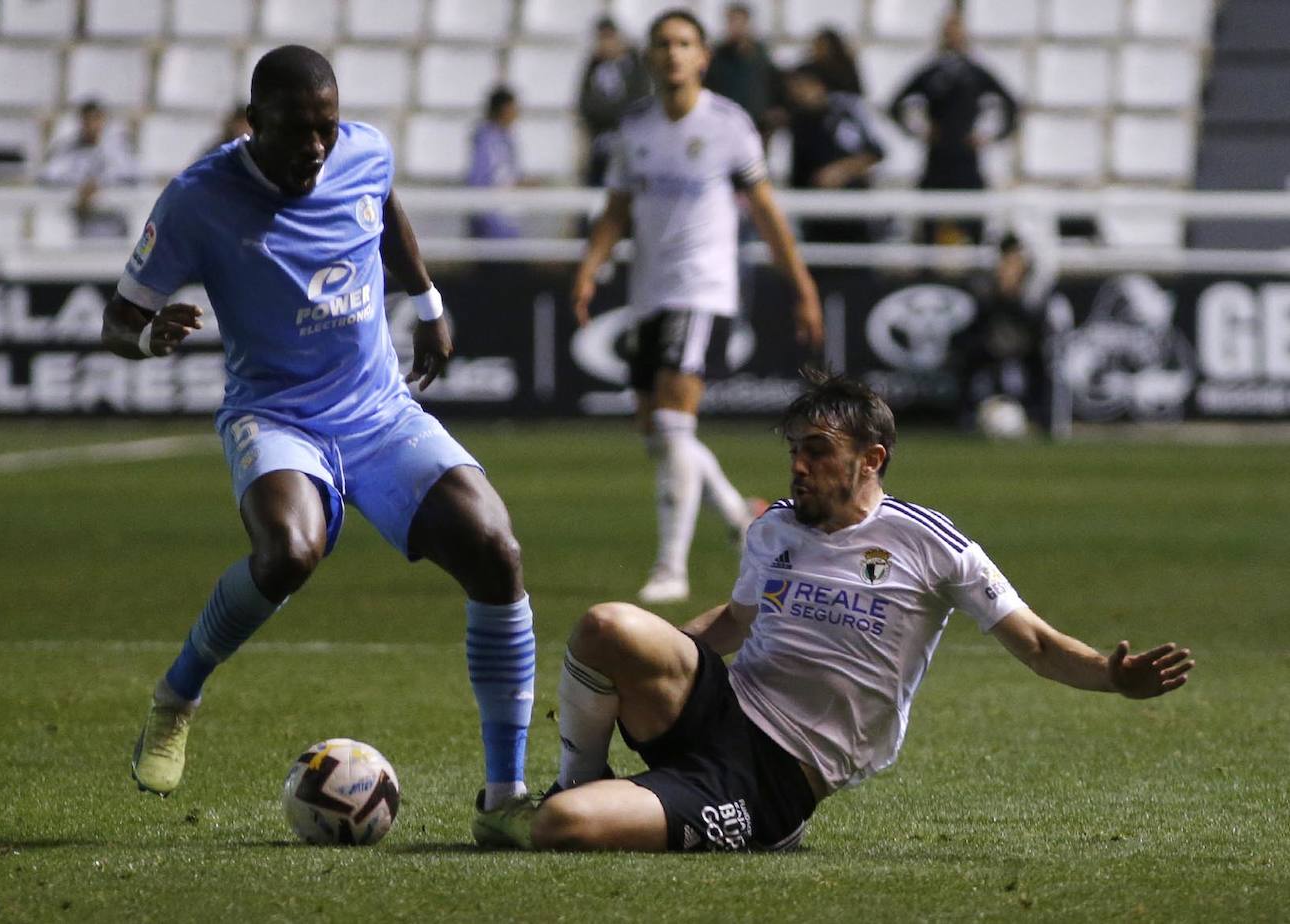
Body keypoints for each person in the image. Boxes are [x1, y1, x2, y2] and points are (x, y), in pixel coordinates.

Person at [103, 45, 538, 845]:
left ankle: (504, 798)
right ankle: (177, 696)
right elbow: (118, 319)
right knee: (289, 554)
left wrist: (427, 300)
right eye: (297, 130)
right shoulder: (199, 197)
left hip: (379, 413)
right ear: (252, 123)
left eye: (326, 129)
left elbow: (384, 204)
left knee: (496, 550)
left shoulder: (363, 151)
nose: (315, 147)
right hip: (275, 415)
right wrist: (147, 338)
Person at [478, 370, 1195, 851]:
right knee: (606, 626)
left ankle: (587, 809)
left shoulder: (931, 544)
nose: (798, 466)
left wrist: (1110, 675)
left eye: (817, 451)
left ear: (871, 459)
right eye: (795, 449)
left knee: (563, 831)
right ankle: (576, 777)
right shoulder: (775, 528)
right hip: (717, 708)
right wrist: (623, 671)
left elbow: (1035, 643)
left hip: (770, 780)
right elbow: (734, 622)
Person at [572, 9, 823, 606]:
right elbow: (616, 210)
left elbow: (766, 212)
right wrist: (589, 268)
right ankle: (739, 513)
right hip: (649, 293)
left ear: (703, 57)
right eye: (663, 43)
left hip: (704, 289)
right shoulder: (635, 130)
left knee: (672, 425)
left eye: (684, 43)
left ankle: (671, 568)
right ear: (650, 57)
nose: (673, 53)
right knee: (656, 433)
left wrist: (801, 286)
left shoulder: (729, 125)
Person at [889, 11, 1018, 245]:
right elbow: (896, 104)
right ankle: (928, 263)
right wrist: (918, 130)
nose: (953, 36)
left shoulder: (975, 72)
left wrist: (991, 136)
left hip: (966, 158)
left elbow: (1011, 104)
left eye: (957, 31)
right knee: (929, 222)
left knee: (974, 222)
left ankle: (975, 263)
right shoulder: (931, 72)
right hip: (937, 158)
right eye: (949, 31)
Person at [954, 233, 1050, 432]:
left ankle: (1035, 416)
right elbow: (974, 333)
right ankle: (969, 416)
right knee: (970, 356)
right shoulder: (984, 293)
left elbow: (1036, 334)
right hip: (990, 358)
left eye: (1014, 264)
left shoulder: (1034, 296)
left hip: (1021, 358)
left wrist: (1013, 298)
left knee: (1039, 362)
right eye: (1006, 264)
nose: (1009, 270)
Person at [785, 64, 884, 244]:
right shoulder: (798, 122)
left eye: (801, 86)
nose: (796, 93)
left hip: (852, 211)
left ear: (818, 85)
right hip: (815, 214)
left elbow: (875, 151)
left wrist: (842, 170)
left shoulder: (843, 113)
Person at [40, 99, 141, 238]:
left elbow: (133, 175)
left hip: (114, 220)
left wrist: (100, 183)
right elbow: (49, 175)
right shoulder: (68, 148)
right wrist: (80, 185)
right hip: (82, 223)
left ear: (103, 121)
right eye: (87, 120)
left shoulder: (118, 148)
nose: (92, 125)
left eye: (96, 119)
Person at [578, 16, 651, 187]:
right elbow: (586, 104)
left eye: (608, 37)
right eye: (601, 38)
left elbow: (639, 100)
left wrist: (609, 110)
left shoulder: (636, 65)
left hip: (630, 138)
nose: (605, 44)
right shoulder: (594, 67)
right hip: (600, 140)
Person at [703, 3, 784, 141]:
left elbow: (775, 83)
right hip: (725, 124)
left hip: (757, 124)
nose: (735, 26)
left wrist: (773, 112)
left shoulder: (760, 54)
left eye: (739, 21)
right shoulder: (718, 56)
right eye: (732, 21)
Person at [466, 86, 523, 239]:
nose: (516, 113)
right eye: (513, 108)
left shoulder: (506, 139)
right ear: (504, 109)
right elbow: (479, 181)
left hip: (507, 220)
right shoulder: (486, 141)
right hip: (491, 222)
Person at [803, 28, 862, 96]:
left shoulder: (844, 67)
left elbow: (853, 92)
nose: (818, 49)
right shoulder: (810, 68)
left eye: (822, 46)